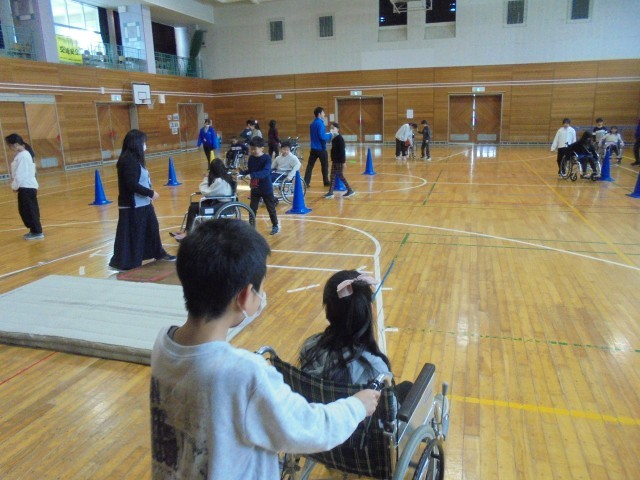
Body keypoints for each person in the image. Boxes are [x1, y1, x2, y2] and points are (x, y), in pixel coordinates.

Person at [150, 220, 380, 480]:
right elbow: (310, 428)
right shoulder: (244, 373)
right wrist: (356, 406)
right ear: (245, 296)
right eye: (259, 290)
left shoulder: (163, 343)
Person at [299, 270, 412, 401]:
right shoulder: (376, 369)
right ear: (366, 312)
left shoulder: (310, 347)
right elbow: (387, 408)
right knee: (408, 388)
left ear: (328, 311)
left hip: (321, 410)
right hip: (358, 413)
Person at [109, 129, 175, 271]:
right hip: (133, 205)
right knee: (134, 234)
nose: (145, 146)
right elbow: (131, 184)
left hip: (144, 203)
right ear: (136, 143)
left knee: (152, 227)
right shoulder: (128, 160)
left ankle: (158, 253)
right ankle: (127, 262)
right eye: (144, 142)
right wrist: (150, 193)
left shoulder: (135, 159)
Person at [170, 159, 235, 241]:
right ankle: (187, 230)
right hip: (221, 203)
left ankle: (188, 233)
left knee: (193, 208)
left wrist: (205, 179)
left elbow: (206, 192)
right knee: (193, 206)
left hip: (221, 206)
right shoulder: (225, 177)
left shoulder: (219, 181)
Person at [5, 133, 43, 240]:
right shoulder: (22, 155)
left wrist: (14, 186)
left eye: (10, 145)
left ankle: (37, 231)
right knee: (24, 210)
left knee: (29, 210)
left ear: (16, 144)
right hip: (24, 187)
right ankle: (33, 230)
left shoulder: (24, 155)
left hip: (27, 187)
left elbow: (20, 174)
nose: (10, 148)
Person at [240, 136, 280, 235]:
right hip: (255, 187)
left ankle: (275, 225)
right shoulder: (251, 158)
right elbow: (250, 170)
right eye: (251, 149)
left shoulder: (267, 158)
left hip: (266, 187)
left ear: (262, 148)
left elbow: (265, 172)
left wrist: (252, 175)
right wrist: (241, 173)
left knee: (270, 208)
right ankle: (251, 227)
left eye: (255, 149)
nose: (253, 151)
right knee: (252, 208)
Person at [324, 122, 355, 199]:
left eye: (333, 128)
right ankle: (331, 192)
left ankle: (350, 190)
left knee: (340, 175)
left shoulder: (340, 139)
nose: (332, 129)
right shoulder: (334, 138)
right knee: (332, 176)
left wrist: (343, 162)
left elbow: (342, 151)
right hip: (335, 161)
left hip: (339, 161)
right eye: (331, 128)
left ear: (337, 129)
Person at [304, 106, 332, 187]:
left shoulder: (312, 123)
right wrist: (330, 135)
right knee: (324, 165)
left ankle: (306, 182)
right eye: (323, 112)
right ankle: (326, 181)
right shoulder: (320, 123)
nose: (324, 114)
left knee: (310, 166)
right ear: (319, 114)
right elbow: (322, 136)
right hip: (321, 148)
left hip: (313, 148)